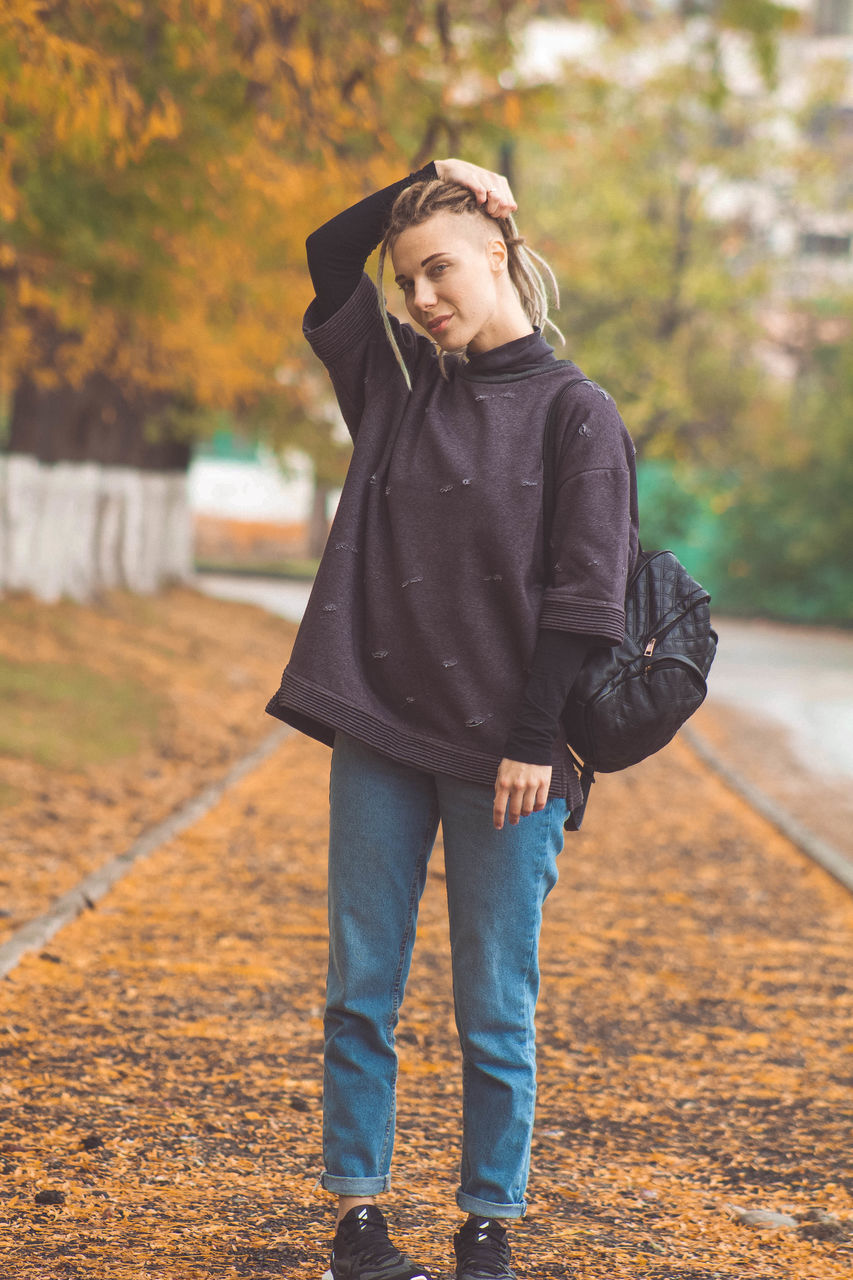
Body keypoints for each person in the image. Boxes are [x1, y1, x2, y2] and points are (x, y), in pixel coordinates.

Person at [266, 157, 639, 1280]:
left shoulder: (578, 414)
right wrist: (425, 175)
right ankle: (360, 1227)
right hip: (378, 725)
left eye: (439, 270)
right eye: (409, 278)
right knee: (360, 990)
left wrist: (535, 735)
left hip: (508, 756)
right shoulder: (396, 387)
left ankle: (487, 1229)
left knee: (493, 1007)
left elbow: (585, 594)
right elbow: (328, 259)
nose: (423, 297)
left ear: (498, 254)